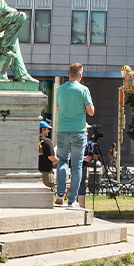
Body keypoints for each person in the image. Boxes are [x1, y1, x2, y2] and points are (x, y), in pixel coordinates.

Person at [54, 63, 95, 208]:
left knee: (62, 161)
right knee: (77, 165)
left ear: (68, 74)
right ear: (80, 75)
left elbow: (58, 109)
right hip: (78, 131)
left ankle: (59, 193)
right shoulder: (84, 90)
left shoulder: (60, 89)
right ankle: (72, 199)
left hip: (62, 130)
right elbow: (91, 112)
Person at [38, 121, 57, 192]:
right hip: (46, 173)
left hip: (34, 173)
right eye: (47, 129)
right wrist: (57, 160)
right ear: (43, 129)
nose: (48, 130)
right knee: (48, 196)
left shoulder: (31, 141)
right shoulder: (47, 141)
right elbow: (51, 157)